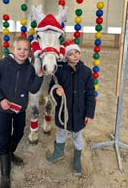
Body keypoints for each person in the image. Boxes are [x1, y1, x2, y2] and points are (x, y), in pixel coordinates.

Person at [0, 36, 44, 188]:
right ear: (13, 49)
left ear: (30, 52)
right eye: (19, 49)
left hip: (20, 110)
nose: (22, 52)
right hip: (5, 109)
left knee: (19, 132)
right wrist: (0, 99)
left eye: (26, 49)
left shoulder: (29, 68)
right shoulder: (3, 64)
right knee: (4, 137)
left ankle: (10, 153)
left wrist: (39, 77)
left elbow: (32, 88)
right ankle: (5, 176)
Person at [46, 39, 96, 175]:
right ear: (65, 57)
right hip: (63, 112)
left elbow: (91, 94)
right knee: (61, 133)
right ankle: (58, 152)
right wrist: (56, 92)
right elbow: (51, 87)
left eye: (77, 52)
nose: (75, 56)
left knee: (77, 136)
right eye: (71, 54)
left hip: (80, 113)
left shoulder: (86, 72)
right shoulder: (60, 72)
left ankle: (77, 159)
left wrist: (89, 113)